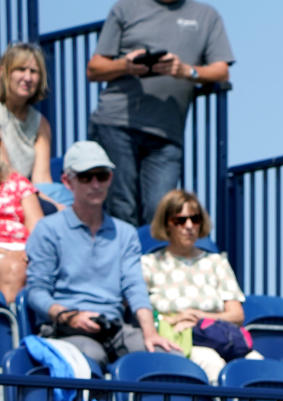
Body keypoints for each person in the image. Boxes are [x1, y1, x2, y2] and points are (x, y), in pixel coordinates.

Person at [24, 140, 175, 366]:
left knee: (168, 359)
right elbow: (36, 292)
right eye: (86, 177)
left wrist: (150, 333)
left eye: (102, 175)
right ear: (67, 182)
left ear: (110, 178)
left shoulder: (125, 233)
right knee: (91, 357)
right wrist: (70, 316)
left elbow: (135, 287)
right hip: (66, 329)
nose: (95, 184)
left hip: (114, 328)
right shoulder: (48, 229)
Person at [86, 0, 234, 226]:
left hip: (167, 133)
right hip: (116, 124)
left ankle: (149, 261)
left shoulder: (207, 16)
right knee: (121, 209)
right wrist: (126, 66)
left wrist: (186, 71)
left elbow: (221, 71)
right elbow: (94, 68)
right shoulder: (126, 8)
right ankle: (124, 261)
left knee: (160, 214)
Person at [142, 188, 260, 381]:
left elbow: (237, 315)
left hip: (217, 336)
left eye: (194, 219)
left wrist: (199, 317)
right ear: (167, 224)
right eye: (180, 220)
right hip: (178, 341)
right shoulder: (149, 264)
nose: (189, 226)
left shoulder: (216, 262)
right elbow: (139, 313)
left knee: (256, 364)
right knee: (210, 361)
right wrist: (177, 319)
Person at [0, 41, 68, 212]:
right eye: (21, 69)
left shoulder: (40, 123)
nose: (28, 77)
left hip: (26, 194)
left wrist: (60, 210)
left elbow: (42, 179)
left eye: (33, 71)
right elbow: (6, 173)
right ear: (3, 72)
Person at [0, 151, 41, 302]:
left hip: (23, 251)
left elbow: (38, 230)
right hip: (5, 253)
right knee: (13, 269)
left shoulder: (18, 182)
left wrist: (26, 252)